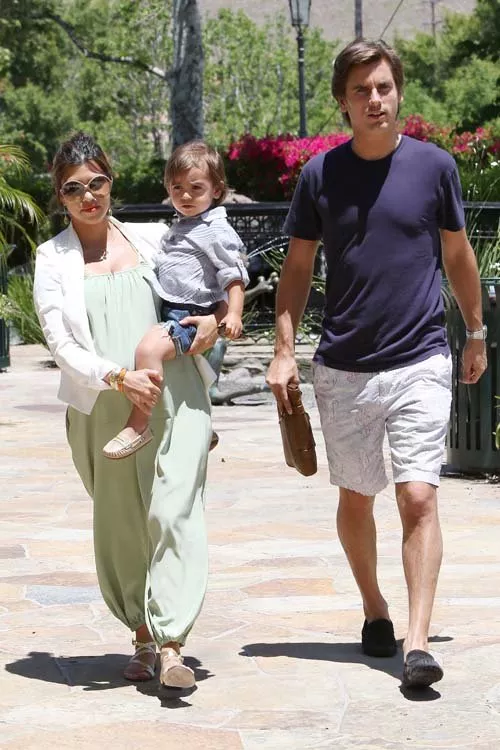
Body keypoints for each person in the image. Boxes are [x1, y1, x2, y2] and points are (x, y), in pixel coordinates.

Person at [266, 39, 487, 689]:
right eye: (361, 90)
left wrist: (475, 332)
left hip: (420, 356)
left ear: (400, 92)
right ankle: (375, 609)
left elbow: (458, 254)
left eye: (384, 87)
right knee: (357, 498)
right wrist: (284, 351)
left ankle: (417, 642)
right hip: (344, 367)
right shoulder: (320, 176)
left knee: (418, 495)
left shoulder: (434, 167)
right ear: (343, 101)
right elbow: (298, 268)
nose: (374, 99)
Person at [33, 131, 224, 689]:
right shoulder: (51, 259)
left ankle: (172, 643)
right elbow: (61, 345)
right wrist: (119, 376)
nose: (89, 196)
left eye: (97, 182)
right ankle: (142, 634)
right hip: (104, 406)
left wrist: (214, 321)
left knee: (174, 510)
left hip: (176, 394)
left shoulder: (154, 237)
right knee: (122, 524)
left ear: (111, 182)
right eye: (74, 189)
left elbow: (204, 288)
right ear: (60, 196)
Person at [102, 140, 249, 459]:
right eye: (177, 188)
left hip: (190, 313)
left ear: (216, 190)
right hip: (173, 309)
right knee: (182, 374)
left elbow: (234, 275)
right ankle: (201, 426)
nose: (185, 196)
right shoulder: (181, 226)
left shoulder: (215, 229)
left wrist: (233, 314)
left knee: (148, 351)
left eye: (196, 188)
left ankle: (138, 424)